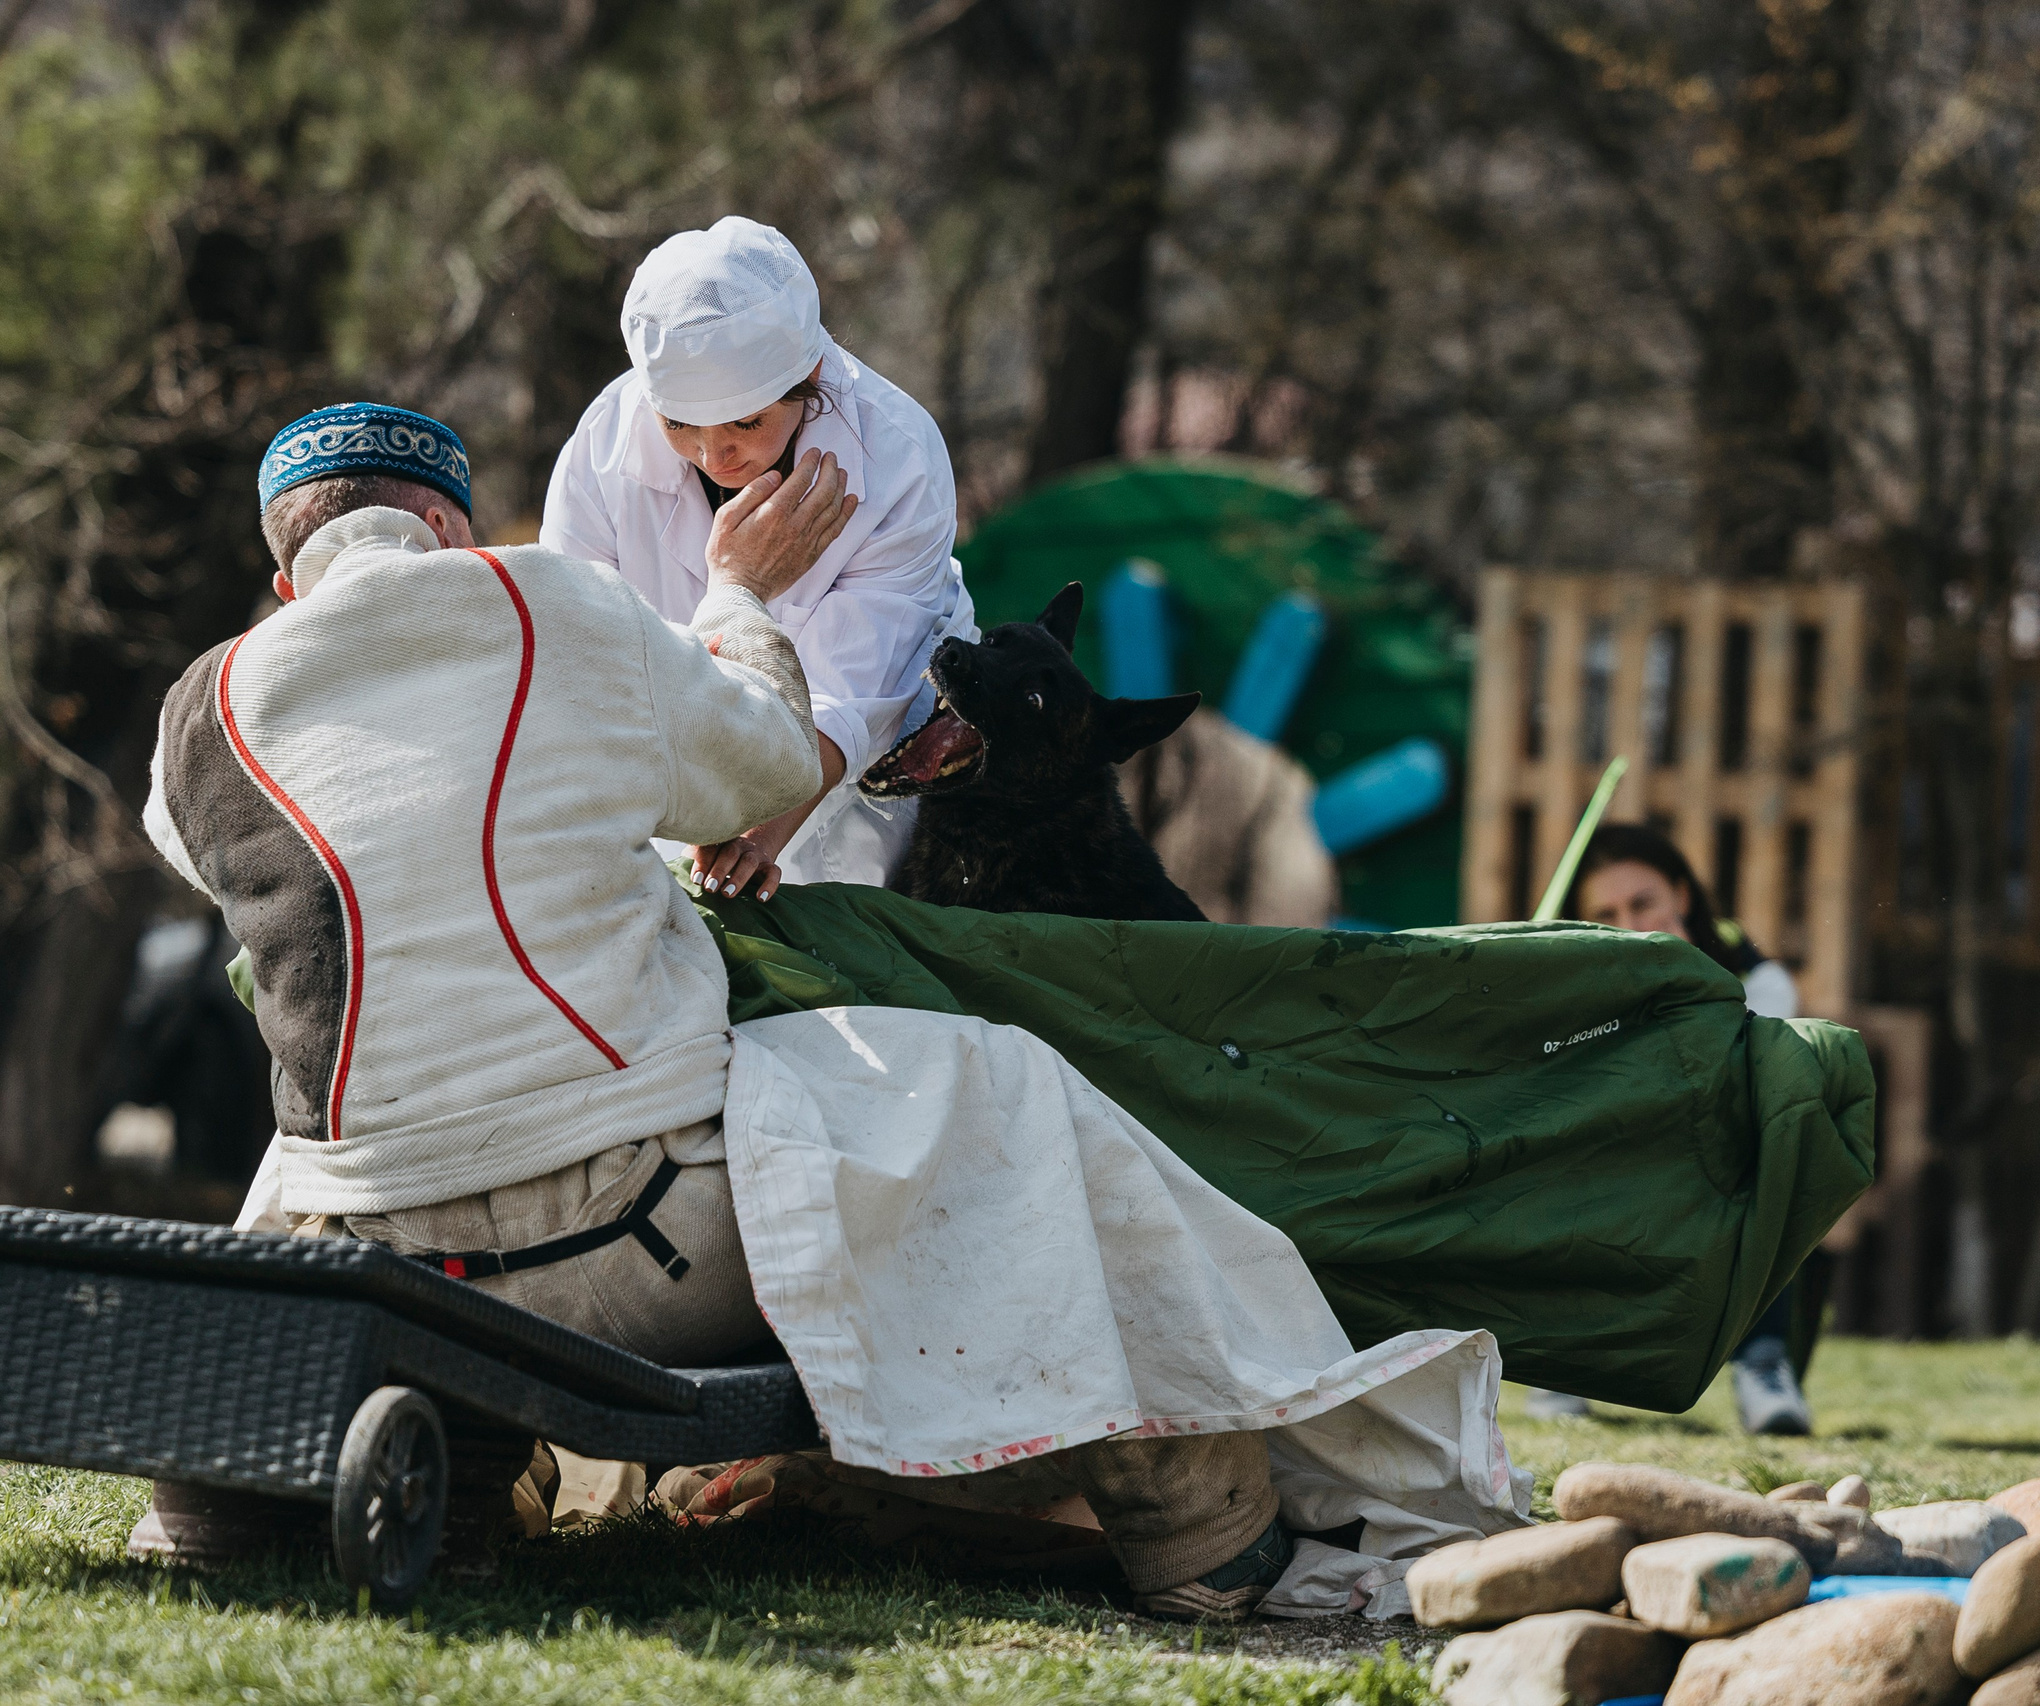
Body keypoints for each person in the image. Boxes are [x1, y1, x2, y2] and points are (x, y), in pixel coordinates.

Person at [133, 400, 1524, 1614]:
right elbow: (755, 770)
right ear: (448, 520)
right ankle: (1208, 1541)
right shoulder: (551, 604)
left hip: (386, 1265)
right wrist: (737, 592)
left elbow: (216, 852)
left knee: (329, 1121)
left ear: (281, 572)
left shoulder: (201, 715)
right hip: (646, 1240)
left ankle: (465, 1485)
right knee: (1008, 1085)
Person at [542, 216, 976, 898]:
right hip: (668, 785)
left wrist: (757, 833)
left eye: (745, 423)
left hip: (859, 782)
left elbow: (851, 694)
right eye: (678, 424)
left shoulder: (898, 459)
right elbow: (575, 645)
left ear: (809, 374)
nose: (715, 457)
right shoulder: (602, 451)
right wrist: (693, 809)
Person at [1525, 823, 1815, 1435]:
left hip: (1714, 1168)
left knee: (1779, 1149)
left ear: (1681, 895)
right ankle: (1562, 1363)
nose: (1629, 923)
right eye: (1606, 913)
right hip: (1609, 1165)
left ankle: (1762, 1365)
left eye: (1643, 902)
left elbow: (1751, 1072)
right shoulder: (1571, 979)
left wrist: (1690, 982)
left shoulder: (1752, 971)